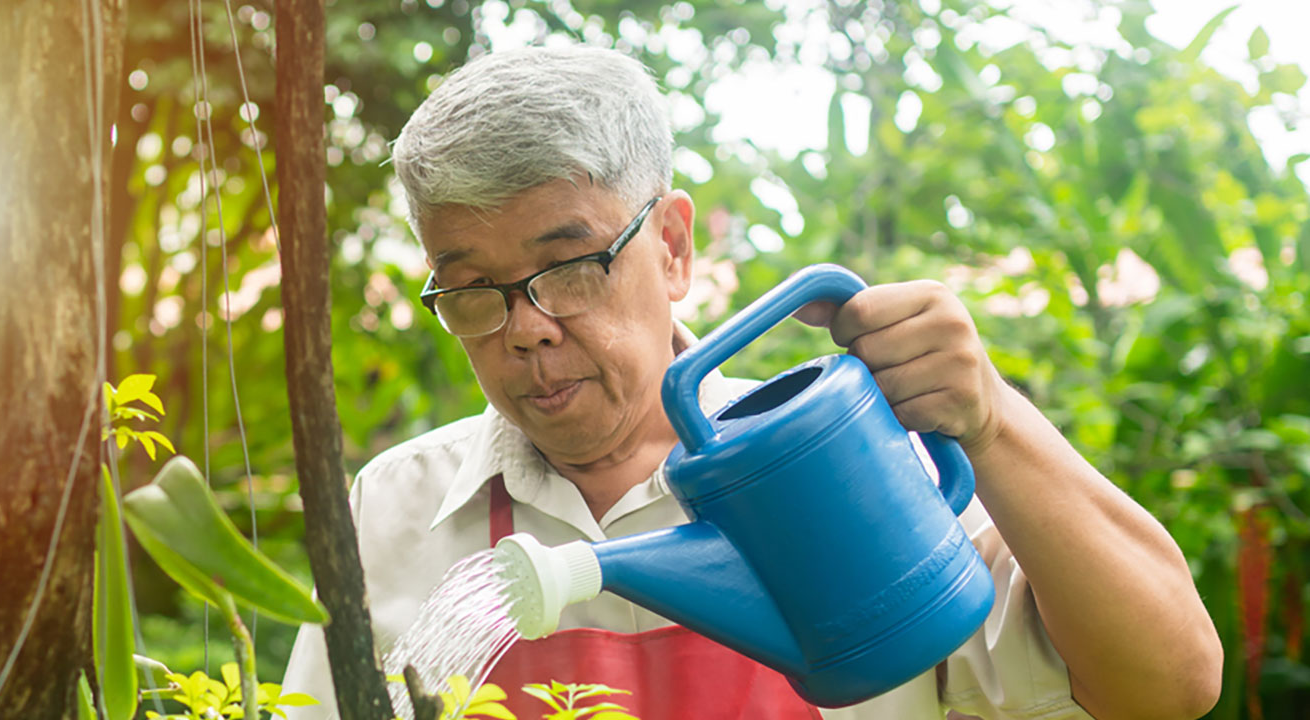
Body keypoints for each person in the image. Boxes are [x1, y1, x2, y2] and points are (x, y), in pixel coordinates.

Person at [280, 46, 1221, 720]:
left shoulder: (839, 466)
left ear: (675, 247)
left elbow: (1167, 688)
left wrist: (989, 426)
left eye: (567, 266)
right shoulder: (394, 510)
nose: (526, 327)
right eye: (474, 291)